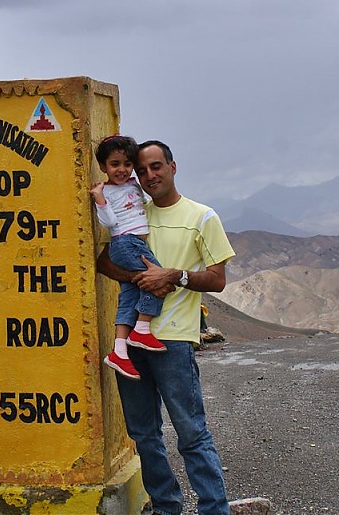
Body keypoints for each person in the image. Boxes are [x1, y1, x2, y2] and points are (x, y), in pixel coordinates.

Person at [97, 140, 235, 515]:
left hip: (173, 341)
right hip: (131, 347)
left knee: (191, 433)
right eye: (141, 171)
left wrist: (175, 276)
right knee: (144, 435)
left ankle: (214, 509)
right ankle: (167, 506)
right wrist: (141, 277)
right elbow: (104, 262)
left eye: (156, 167)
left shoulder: (202, 217)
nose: (149, 176)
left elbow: (218, 278)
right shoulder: (133, 212)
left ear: (173, 167)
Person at [91, 135, 167, 381]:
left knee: (130, 295)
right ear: (103, 167)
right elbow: (110, 223)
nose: (121, 169)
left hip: (131, 242)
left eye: (126, 163)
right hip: (126, 241)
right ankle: (142, 329)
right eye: (115, 164)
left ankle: (120, 350)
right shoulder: (106, 192)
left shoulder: (133, 185)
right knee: (158, 280)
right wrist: (100, 200)